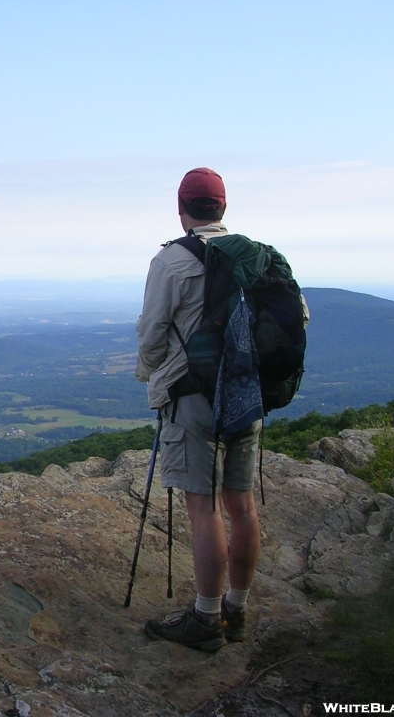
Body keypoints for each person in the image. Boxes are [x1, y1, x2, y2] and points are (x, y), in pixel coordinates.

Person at [135, 167, 264, 653]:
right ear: (224, 207)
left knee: (204, 507)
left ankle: (206, 620)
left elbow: (150, 334)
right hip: (247, 396)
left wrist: (155, 377)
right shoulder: (257, 258)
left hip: (194, 397)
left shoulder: (171, 261)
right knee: (242, 505)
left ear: (182, 209)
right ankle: (237, 609)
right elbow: (300, 317)